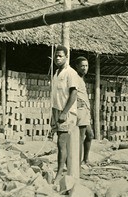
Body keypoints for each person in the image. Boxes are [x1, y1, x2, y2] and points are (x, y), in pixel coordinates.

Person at [50, 45, 79, 183]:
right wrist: (53, 116)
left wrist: (64, 112)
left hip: (66, 113)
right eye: (56, 56)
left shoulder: (70, 73)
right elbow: (55, 96)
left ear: (67, 57)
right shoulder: (56, 73)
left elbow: (73, 94)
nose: (57, 58)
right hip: (57, 111)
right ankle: (69, 172)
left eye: (60, 56)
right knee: (61, 143)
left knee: (61, 144)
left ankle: (59, 174)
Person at [74, 56, 94, 166]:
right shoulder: (75, 78)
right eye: (82, 66)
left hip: (85, 111)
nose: (85, 68)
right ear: (77, 66)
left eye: (86, 66)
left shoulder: (81, 78)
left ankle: (85, 160)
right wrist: (75, 104)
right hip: (80, 111)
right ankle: (76, 163)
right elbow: (71, 93)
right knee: (80, 138)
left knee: (90, 135)